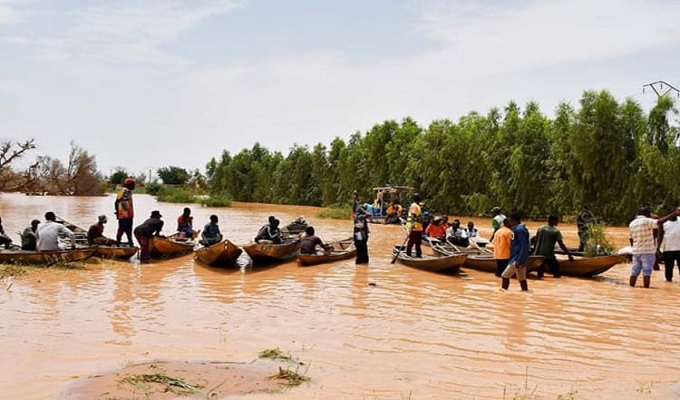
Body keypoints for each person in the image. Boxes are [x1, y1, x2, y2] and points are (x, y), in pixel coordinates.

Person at [628, 206, 679, 288]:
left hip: (636, 251)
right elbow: (659, 222)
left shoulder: (632, 223)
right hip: (647, 251)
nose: (650, 214)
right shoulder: (647, 221)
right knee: (647, 272)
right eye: (649, 212)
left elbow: (631, 238)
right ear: (646, 213)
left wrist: (633, 248)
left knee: (634, 271)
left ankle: (631, 288)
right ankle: (646, 291)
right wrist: (673, 214)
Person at [501, 212, 530, 291]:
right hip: (517, 257)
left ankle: (503, 293)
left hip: (517, 258)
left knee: (505, 275)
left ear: (513, 220)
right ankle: (525, 292)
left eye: (510, 220)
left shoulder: (519, 230)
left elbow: (524, 245)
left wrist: (519, 260)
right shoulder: (516, 229)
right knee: (521, 278)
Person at [658, 206, 680, 282]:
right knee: (668, 270)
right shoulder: (664, 223)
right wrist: (657, 248)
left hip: (679, 249)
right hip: (668, 249)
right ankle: (668, 284)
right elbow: (660, 236)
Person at [114, 178, 135, 247]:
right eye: (133, 184)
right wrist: (117, 212)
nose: (134, 185)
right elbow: (116, 202)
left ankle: (130, 243)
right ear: (129, 185)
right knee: (122, 228)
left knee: (129, 229)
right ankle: (118, 243)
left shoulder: (129, 191)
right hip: (123, 214)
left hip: (129, 215)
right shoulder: (123, 191)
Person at [405, 193, 423, 258]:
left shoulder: (418, 206)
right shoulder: (414, 206)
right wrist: (412, 224)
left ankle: (419, 254)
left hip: (419, 227)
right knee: (412, 241)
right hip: (414, 227)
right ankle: (408, 253)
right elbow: (413, 215)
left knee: (418, 242)